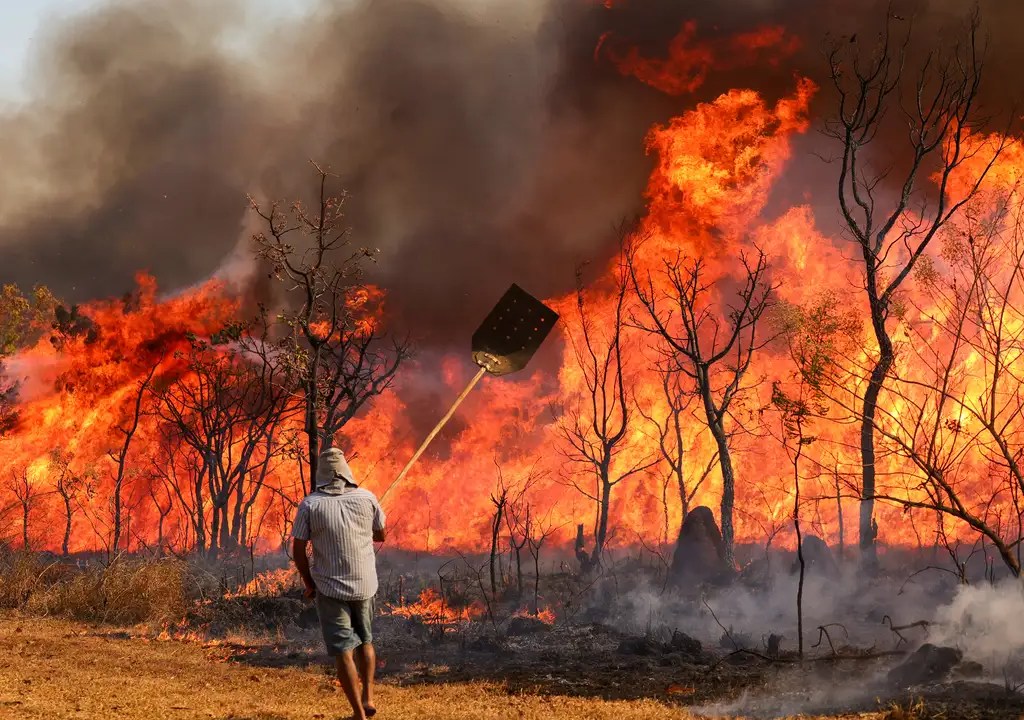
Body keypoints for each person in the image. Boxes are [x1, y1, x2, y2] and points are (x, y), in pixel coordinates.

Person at [292, 447, 386, 720]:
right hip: (364, 584)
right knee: (365, 640)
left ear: (321, 475)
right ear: (347, 472)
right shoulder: (367, 497)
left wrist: (308, 582)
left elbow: (298, 549)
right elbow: (380, 535)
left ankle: (359, 713)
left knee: (343, 648)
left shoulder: (311, 504)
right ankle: (368, 697)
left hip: (330, 587)